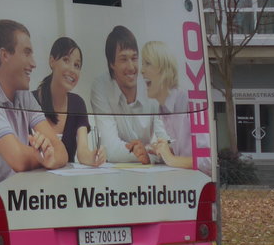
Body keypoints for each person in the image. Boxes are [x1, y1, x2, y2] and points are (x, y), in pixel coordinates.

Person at [0, 19, 68, 186]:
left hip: (19, 195)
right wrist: (45, 156)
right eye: (27, 53)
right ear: (4, 55)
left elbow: (61, 151)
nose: (34, 63)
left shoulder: (24, 95)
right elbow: (18, 159)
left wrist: (48, 155)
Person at [89, 25, 170, 164]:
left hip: (150, 173)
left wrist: (151, 153)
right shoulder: (101, 87)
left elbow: (168, 144)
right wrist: (148, 154)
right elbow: (112, 150)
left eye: (134, 58)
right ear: (111, 63)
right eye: (123, 59)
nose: (131, 67)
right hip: (115, 176)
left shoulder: (152, 85)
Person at [33, 37, 106, 166]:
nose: (72, 70)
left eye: (77, 65)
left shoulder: (78, 104)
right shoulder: (30, 101)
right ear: (52, 61)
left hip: (67, 182)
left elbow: (82, 151)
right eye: (66, 60)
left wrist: (92, 157)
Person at [142, 40, 212, 174]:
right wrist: (164, 150)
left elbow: (207, 161)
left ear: (163, 69)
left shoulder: (189, 102)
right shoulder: (164, 108)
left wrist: (171, 158)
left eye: (148, 63)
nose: (141, 70)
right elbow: (185, 152)